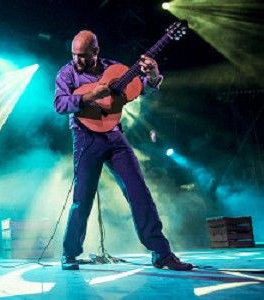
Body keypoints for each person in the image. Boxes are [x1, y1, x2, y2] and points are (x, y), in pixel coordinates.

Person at [54, 30, 193, 271]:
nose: (77, 60)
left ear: (96, 51)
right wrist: (90, 95)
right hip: (85, 136)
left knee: (139, 192)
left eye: (83, 56)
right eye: (74, 55)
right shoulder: (66, 73)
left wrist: (153, 76)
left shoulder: (114, 68)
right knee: (83, 197)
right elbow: (60, 104)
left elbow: (142, 90)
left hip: (114, 135)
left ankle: (161, 253)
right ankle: (70, 253)